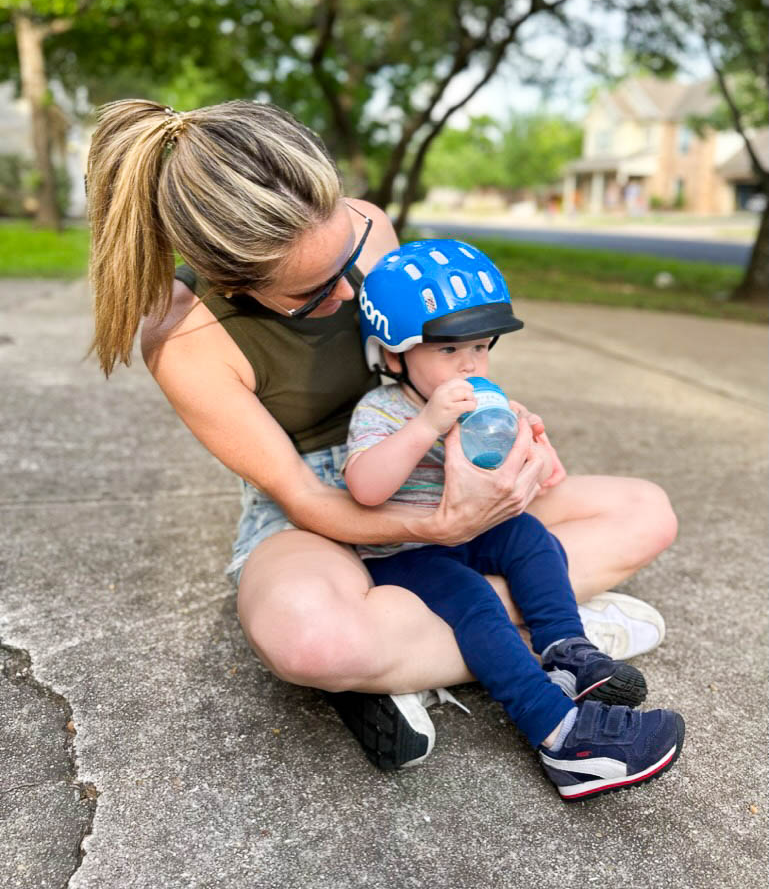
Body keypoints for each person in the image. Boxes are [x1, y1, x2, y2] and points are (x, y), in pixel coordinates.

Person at [86, 98, 679, 773]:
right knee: (308, 641)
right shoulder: (183, 336)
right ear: (232, 281)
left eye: (349, 255)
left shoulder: (370, 224)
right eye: (315, 293)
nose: (350, 291)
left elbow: (427, 364)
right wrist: (443, 528)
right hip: (317, 507)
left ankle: (411, 661)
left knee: (644, 513)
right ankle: (553, 632)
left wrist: (500, 423)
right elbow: (304, 499)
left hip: (426, 459)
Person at [344, 239, 684, 797]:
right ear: (393, 354)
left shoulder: (485, 404)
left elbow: (545, 482)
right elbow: (365, 487)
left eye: (481, 348)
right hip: (408, 552)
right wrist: (427, 424)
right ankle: (564, 738)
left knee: (530, 537)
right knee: (476, 602)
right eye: (449, 352)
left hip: (474, 529)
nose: (471, 365)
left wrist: (535, 446)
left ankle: (566, 651)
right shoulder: (383, 410)